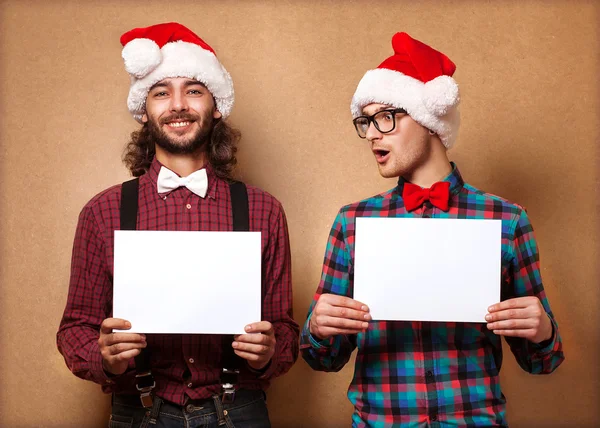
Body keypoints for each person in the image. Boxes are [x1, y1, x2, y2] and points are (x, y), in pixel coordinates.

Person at [300, 32, 564, 427]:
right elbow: (323, 358)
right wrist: (318, 327)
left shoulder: (506, 220)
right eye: (365, 122)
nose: (372, 133)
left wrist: (542, 330)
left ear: (428, 120)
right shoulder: (352, 223)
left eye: (386, 117)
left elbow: (542, 362)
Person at [57, 22, 298, 428]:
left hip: (237, 411)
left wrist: (269, 351)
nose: (178, 105)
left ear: (216, 104)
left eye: (194, 90)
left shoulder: (264, 210)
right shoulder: (103, 212)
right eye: (161, 92)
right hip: (139, 411)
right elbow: (74, 329)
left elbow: (287, 330)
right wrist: (104, 356)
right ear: (145, 109)